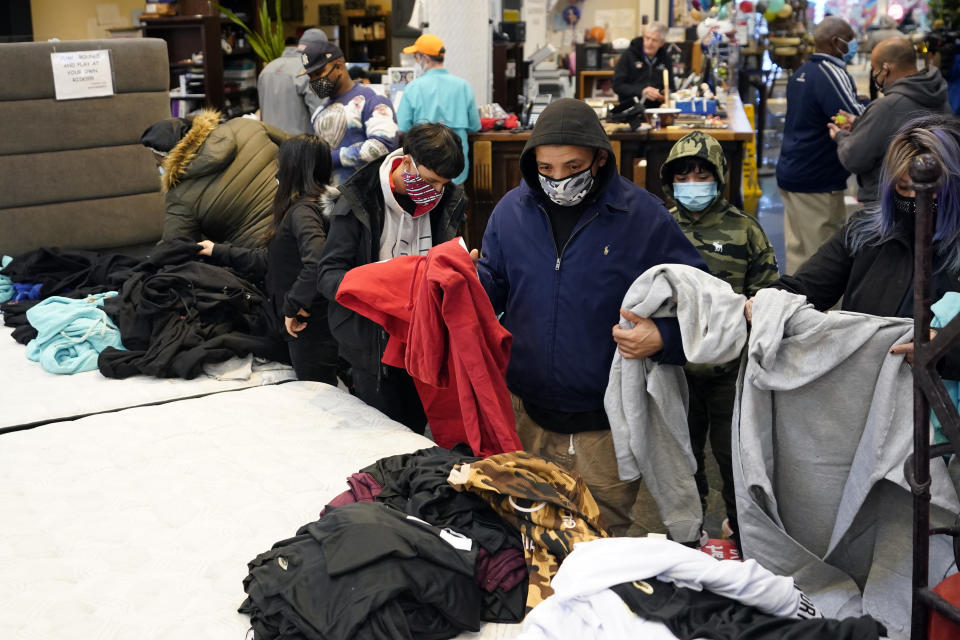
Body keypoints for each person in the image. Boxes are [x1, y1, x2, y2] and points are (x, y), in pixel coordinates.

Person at [469, 98, 707, 537]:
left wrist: (664, 336)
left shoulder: (642, 218)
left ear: (599, 157)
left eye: (572, 165)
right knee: (526, 536)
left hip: (606, 427)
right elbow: (490, 288)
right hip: (525, 417)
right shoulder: (510, 213)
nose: (558, 178)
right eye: (546, 167)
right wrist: (460, 284)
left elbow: (703, 300)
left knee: (600, 540)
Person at [747, 115, 960, 376]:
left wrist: (945, 350)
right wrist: (768, 301)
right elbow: (806, 286)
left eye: (930, 189)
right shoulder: (864, 233)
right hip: (867, 391)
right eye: (905, 187)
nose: (917, 198)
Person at [659, 131, 780, 542]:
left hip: (732, 369)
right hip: (677, 367)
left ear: (719, 176)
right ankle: (687, 531)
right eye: (684, 174)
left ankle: (744, 529)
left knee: (737, 458)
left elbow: (767, 295)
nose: (693, 182)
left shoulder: (746, 231)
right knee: (680, 456)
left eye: (702, 173)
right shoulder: (659, 228)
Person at [316, 123, 467, 433]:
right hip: (372, 343)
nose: (437, 191)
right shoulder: (359, 200)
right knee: (382, 430)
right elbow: (329, 275)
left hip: (424, 339)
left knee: (418, 428)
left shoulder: (447, 200)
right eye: (430, 181)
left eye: (444, 183)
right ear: (407, 161)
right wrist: (382, 283)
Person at [196, 135, 339, 384]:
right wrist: (217, 250)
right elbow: (273, 260)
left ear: (292, 167)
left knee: (320, 390)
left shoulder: (303, 211)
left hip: (308, 325)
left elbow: (316, 260)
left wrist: (293, 305)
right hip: (308, 321)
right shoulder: (312, 207)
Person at [776, 17, 865, 274]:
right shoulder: (831, 72)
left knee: (798, 254)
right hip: (817, 180)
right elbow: (853, 117)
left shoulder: (802, 72)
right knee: (826, 261)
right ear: (837, 42)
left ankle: (797, 311)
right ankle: (825, 315)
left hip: (792, 172)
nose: (854, 43)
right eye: (851, 37)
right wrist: (874, 106)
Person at [140, 109, 289, 247]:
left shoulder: (179, 196)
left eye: (159, 163)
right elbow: (300, 147)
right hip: (303, 222)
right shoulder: (246, 125)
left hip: (260, 253)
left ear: (170, 160)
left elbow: (176, 247)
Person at [829, 37, 951, 205]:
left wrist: (841, 136)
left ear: (885, 69)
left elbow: (855, 159)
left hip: (888, 207)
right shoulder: (938, 96)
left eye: (874, 69)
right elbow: (901, 125)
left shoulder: (885, 107)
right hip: (933, 201)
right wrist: (861, 123)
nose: (873, 75)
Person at [301, 40, 400, 184]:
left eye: (319, 72)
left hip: (365, 198)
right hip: (328, 199)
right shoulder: (318, 113)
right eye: (310, 76)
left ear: (339, 66)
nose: (315, 80)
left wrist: (332, 159)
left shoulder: (372, 101)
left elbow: (384, 145)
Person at [396, 34, 481, 185]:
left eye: (416, 56)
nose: (416, 61)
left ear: (426, 58)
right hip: (455, 170)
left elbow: (402, 128)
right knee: (454, 206)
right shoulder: (463, 86)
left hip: (424, 168)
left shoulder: (413, 88)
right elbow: (475, 126)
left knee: (425, 205)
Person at [257, 28, 329, 135]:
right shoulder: (312, 71)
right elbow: (322, 119)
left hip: (269, 146)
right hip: (300, 148)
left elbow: (262, 112)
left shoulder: (267, 69)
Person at [613, 22, 673, 109]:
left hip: (656, 110)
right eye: (647, 38)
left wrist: (663, 95)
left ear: (662, 43)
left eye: (654, 40)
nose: (649, 43)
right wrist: (642, 91)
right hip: (630, 109)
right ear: (643, 36)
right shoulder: (629, 55)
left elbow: (671, 87)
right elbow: (617, 86)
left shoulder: (666, 58)